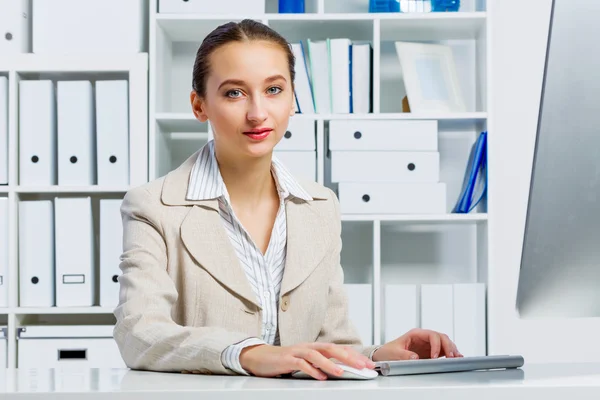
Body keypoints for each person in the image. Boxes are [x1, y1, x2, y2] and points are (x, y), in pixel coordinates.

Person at [113, 19, 462, 380]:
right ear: (199, 105)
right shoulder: (153, 206)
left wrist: (379, 354)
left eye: (274, 90)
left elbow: (327, 342)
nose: (257, 113)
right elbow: (140, 333)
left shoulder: (320, 206)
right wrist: (248, 354)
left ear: (293, 97)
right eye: (234, 93)